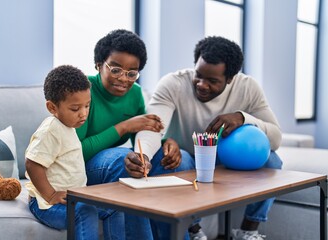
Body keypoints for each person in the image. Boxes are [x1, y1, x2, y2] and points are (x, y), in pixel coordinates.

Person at [125, 36, 283, 240]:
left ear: (230, 78)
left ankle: (248, 230)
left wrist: (243, 118)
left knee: (272, 161)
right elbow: (153, 126)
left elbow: (276, 138)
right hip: (187, 157)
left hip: (228, 159)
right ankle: (194, 231)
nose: (201, 84)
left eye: (212, 81)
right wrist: (143, 155)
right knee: (177, 162)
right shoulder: (173, 83)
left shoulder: (247, 87)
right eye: (198, 75)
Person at [76, 29, 198, 240]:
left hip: (113, 162)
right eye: (115, 70)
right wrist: (124, 127)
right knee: (121, 160)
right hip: (84, 168)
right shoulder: (82, 90)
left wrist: (167, 143)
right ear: (98, 64)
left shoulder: (134, 94)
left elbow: (143, 138)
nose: (123, 79)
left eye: (132, 73)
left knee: (180, 161)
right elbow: (75, 152)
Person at [25, 65, 125, 240]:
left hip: (73, 199)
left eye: (87, 106)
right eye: (75, 109)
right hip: (46, 206)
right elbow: (32, 164)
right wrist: (51, 195)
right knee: (85, 212)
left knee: (115, 206)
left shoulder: (68, 127)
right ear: (52, 108)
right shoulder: (51, 130)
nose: (83, 114)